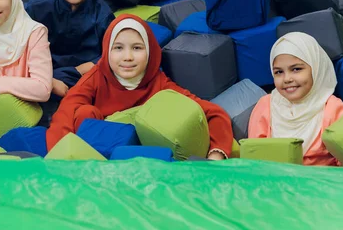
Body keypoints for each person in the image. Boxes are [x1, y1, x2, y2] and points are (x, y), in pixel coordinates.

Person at [46, 14, 233, 159]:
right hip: (96, 152)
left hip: (138, 158)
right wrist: (62, 158)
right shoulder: (96, 77)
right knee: (83, 112)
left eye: (137, 48)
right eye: (118, 48)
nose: (127, 57)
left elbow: (212, 112)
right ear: (107, 51)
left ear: (150, 52)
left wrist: (216, 154)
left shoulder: (159, 83)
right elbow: (65, 113)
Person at [25, 0, 114, 125]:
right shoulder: (37, 8)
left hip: (89, 72)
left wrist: (84, 69)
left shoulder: (101, 12)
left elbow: (114, 49)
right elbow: (20, 46)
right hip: (48, 73)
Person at [248, 32, 343, 166]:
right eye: (279, 72)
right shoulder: (266, 105)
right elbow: (254, 158)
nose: (287, 79)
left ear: (315, 69)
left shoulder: (333, 109)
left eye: (296, 69)